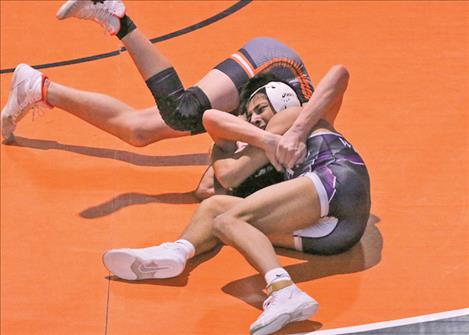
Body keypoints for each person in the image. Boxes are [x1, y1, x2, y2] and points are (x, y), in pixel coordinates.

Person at [103, 65, 371, 335]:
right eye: (249, 113)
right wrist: (263, 141)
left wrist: (296, 131)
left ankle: (284, 290)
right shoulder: (270, 141)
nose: (254, 119)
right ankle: (177, 251)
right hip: (338, 234)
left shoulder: (291, 116)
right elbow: (226, 174)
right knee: (216, 209)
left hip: (339, 179)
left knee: (229, 220)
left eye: (260, 108)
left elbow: (340, 73)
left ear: (282, 100)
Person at [1, 0, 316, 200]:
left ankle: (36, 88)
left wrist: (229, 156)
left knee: (138, 131)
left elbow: (207, 188)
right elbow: (218, 165)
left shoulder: (261, 175)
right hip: (278, 70)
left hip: (259, 112)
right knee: (183, 111)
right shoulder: (292, 155)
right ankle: (118, 18)